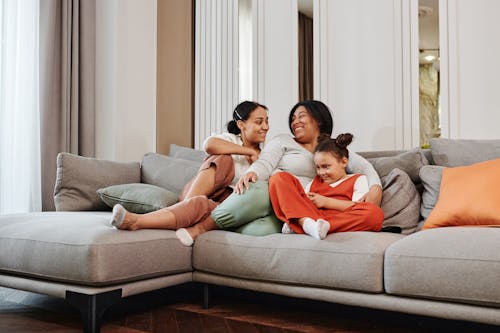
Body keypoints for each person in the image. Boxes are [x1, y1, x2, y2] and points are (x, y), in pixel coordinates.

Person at [110, 101, 269, 246]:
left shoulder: (267, 156)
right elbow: (209, 144)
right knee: (222, 159)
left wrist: (256, 162)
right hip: (202, 192)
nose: (266, 127)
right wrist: (247, 151)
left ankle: (137, 221)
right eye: (259, 122)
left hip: (225, 205)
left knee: (199, 204)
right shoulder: (230, 140)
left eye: (267, 121)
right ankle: (172, 210)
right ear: (241, 124)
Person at [269, 133, 384, 240]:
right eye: (318, 167)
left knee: (374, 213)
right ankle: (306, 223)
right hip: (312, 215)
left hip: (338, 220)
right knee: (278, 178)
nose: (321, 172)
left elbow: (358, 207)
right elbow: (300, 202)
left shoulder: (358, 179)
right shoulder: (315, 182)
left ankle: (304, 225)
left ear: (344, 162)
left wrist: (325, 202)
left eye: (326, 166)